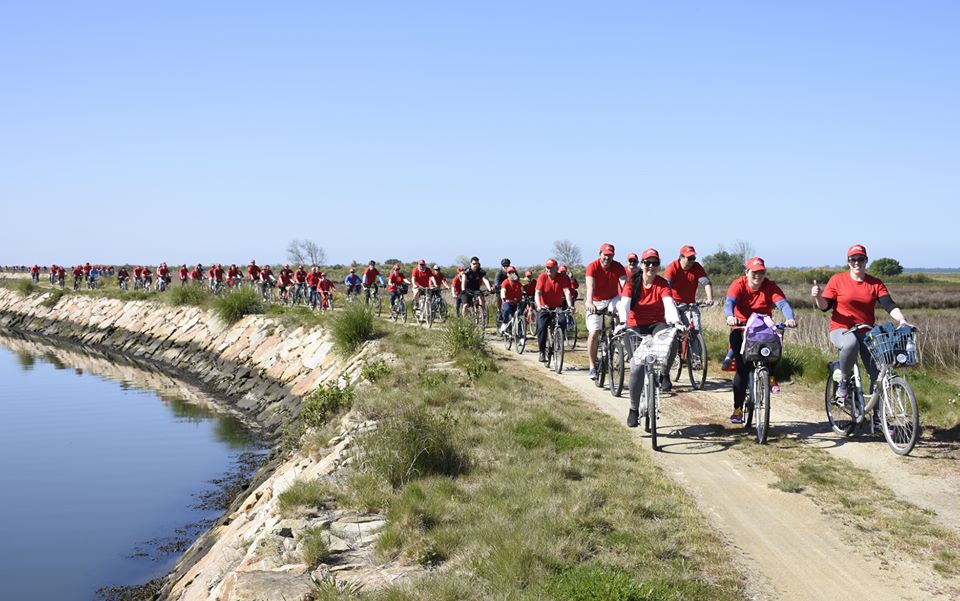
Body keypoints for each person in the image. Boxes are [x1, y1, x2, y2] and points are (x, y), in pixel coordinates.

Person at [811, 244, 912, 409]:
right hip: (841, 329)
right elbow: (825, 306)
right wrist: (818, 296)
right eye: (853, 259)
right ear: (848, 262)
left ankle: (879, 419)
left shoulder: (875, 283)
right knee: (850, 343)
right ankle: (843, 381)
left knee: (879, 373)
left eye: (861, 259)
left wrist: (902, 320)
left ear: (866, 261)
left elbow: (889, 305)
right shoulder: (837, 280)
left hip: (866, 331)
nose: (857, 262)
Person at [724, 257, 797, 424]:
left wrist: (790, 318)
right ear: (747, 272)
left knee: (775, 344)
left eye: (761, 272)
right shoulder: (739, 285)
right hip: (741, 328)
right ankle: (738, 409)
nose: (758, 275)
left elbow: (783, 304)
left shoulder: (770, 286)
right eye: (754, 272)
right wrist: (730, 317)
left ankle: (770, 376)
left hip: (762, 329)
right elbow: (729, 302)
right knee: (742, 370)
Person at [619, 249, 681, 426]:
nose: (651, 267)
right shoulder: (632, 283)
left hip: (656, 324)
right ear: (642, 264)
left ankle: (664, 374)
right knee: (637, 368)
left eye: (655, 263)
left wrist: (675, 321)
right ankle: (633, 409)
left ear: (659, 265)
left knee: (672, 340)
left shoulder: (662, 283)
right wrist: (623, 322)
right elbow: (624, 304)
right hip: (634, 326)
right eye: (647, 263)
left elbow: (668, 304)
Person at [663, 245, 714, 373]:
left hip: (690, 304)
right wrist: (667, 301)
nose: (692, 260)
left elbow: (706, 283)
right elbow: (665, 286)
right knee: (674, 330)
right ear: (681, 257)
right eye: (689, 258)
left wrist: (709, 298)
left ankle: (696, 359)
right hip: (674, 303)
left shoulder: (696, 267)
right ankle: (673, 354)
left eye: (694, 257)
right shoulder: (672, 267)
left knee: (695, 330)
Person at [584, 243, 628, 380]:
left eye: (610, 255)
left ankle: (619, 331)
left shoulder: (618, 267)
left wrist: (629, 299)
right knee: (594, 332)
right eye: (605, 255)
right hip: (596, 300)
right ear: (600, 254)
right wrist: (589, 302)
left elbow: (624, 285)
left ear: (613, 256)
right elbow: (590, 286)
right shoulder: (592, 266)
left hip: (611, 299)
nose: (607, 258)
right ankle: (592, 366)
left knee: (622, 305)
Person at [535, 258, 574, 363]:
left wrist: (570, 305)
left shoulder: (561, 277)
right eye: (547, 268)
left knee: (562, 321)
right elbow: (537, 293)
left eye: (551, 268)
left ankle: (558, 340)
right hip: (544, 307)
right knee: (542, 327)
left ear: (556, 268)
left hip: (557, 307)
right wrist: (539, 306)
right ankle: (542, 351)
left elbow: (566, 291)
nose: (549, 270)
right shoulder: (542, 277)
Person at [498, 266, 523, 333]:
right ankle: (505, 323)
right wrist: (503, 297)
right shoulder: (505, 282)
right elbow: (503, 290)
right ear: (507, 274)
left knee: (520, 315)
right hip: (508, 302)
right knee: (507, 310)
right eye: (509, 273)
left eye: (513, 272)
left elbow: (523, 289)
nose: (511, 274)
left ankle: (521, 334)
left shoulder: (518, 283)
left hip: (517, 302)